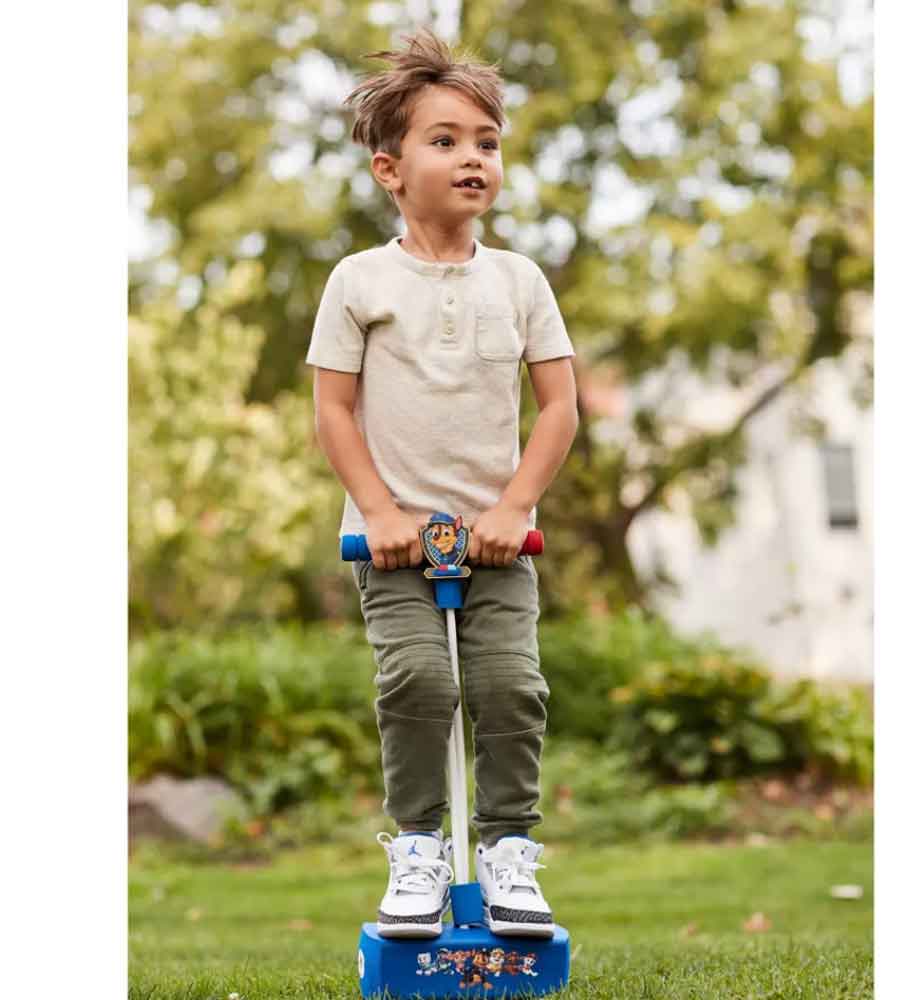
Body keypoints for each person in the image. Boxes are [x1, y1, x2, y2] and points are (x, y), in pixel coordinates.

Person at [306, 27, 578, 941]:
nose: (473, 158)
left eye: (487, 143)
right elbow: (334, 412)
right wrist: (380, 512)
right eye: (447, 140)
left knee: (511, 691)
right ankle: (420, 848)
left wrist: (514, 507)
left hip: (500, 539)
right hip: (392, 541)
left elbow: (560, 409)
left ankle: (506, 852)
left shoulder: (521, 280)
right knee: (419, 682)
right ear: (390, 169)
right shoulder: (359, 280)